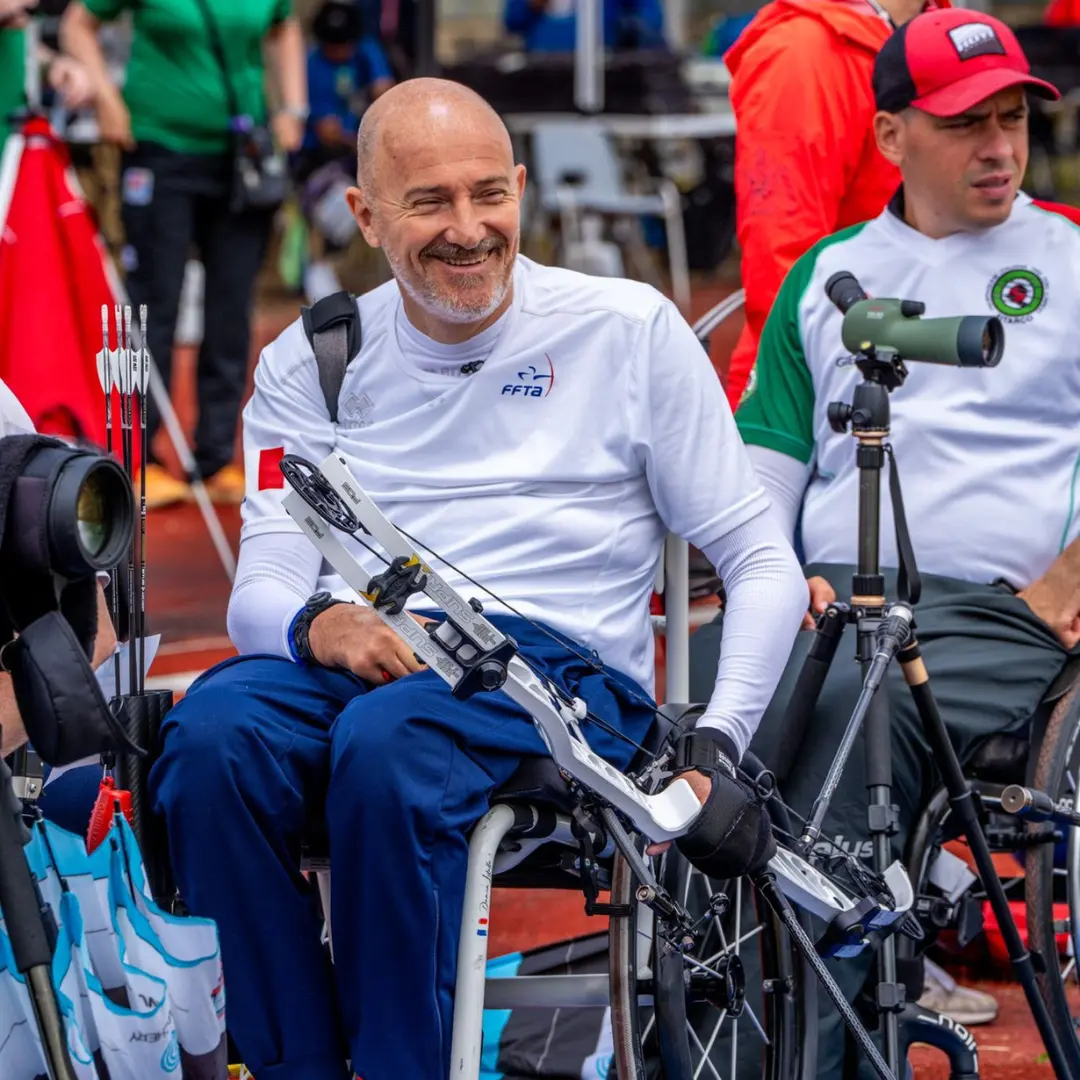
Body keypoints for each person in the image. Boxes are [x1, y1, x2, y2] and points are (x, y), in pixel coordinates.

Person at [146, 77, 808, 1080]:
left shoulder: (627, 329)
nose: (470, 230)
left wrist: (719, 742)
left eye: (488, 194)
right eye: (429, 203)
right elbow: (263, 588)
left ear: (521, 188)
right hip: (381, 661)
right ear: (366, 215)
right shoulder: (315, 357)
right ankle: (295, 1065)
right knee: (208, 736)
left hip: (565, 678)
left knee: (389, 741)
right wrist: (316, 630)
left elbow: (764, 561)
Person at [690, 9, 1079, 1074]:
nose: (999, 146)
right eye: (966, 124)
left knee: (854, 720)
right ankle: (692, 1038)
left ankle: (823, 1057)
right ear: (893, 136)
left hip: (996, 613)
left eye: (1012, 119)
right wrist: (764, 581)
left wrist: (1070, 575)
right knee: (686, 717)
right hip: (826, 599)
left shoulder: (1072, 256)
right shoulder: (830, 274)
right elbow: (763, 465)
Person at [60, 0, 309, 509]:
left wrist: (292, 108)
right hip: (158, 149)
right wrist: (107, 96)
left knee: (230, 305)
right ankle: (137, 455)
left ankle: (216, 456)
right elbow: (76, 23)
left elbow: (285, 29)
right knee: (151, 305)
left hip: (243, 157)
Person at [722, 0, 950, 410]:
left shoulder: (938, 28)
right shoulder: (804, 50)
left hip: (920, 361)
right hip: (826, 385)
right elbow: (784, 260)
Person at [504, 0, 666, 53]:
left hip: (605, 79)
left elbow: (651, 21)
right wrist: (531, 5)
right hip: (541, 74)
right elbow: (512, 22)